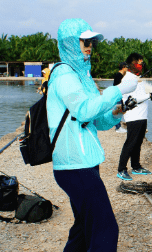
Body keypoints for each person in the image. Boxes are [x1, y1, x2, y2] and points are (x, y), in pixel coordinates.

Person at [46, 18, 138, 252]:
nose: (89, 46)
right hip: (73, 166)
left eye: (91, 42)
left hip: (85, 162)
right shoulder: (65, 76)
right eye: (84, 41)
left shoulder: (82, 77)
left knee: (83, 227)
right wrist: (117, 89)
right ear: (69, 42)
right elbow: (83, 110)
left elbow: (97, 120)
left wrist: (118, 110)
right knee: (106, 229)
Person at [117, 52, 152, 181]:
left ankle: (136, 167)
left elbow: (142, 94)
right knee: (130, 143)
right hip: (133, 116)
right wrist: (150, 95)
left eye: (142, 63)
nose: (141, 65)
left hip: (142, 116)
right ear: (132, 64)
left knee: (138, 142)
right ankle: (121, 169)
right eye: (139, 63)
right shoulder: (128, 79)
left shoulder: (138, 78)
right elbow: (131, 99)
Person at [113, 62, 129, 132]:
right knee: (118, 111)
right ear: (123, 67)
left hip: (118, 95)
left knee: (120, 110)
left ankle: (118, 127)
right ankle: (118, 128)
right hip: (117, 96)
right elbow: (120, 87)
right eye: (126, 67)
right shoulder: (119, 75)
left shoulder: (119, 75)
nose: (127, 69)